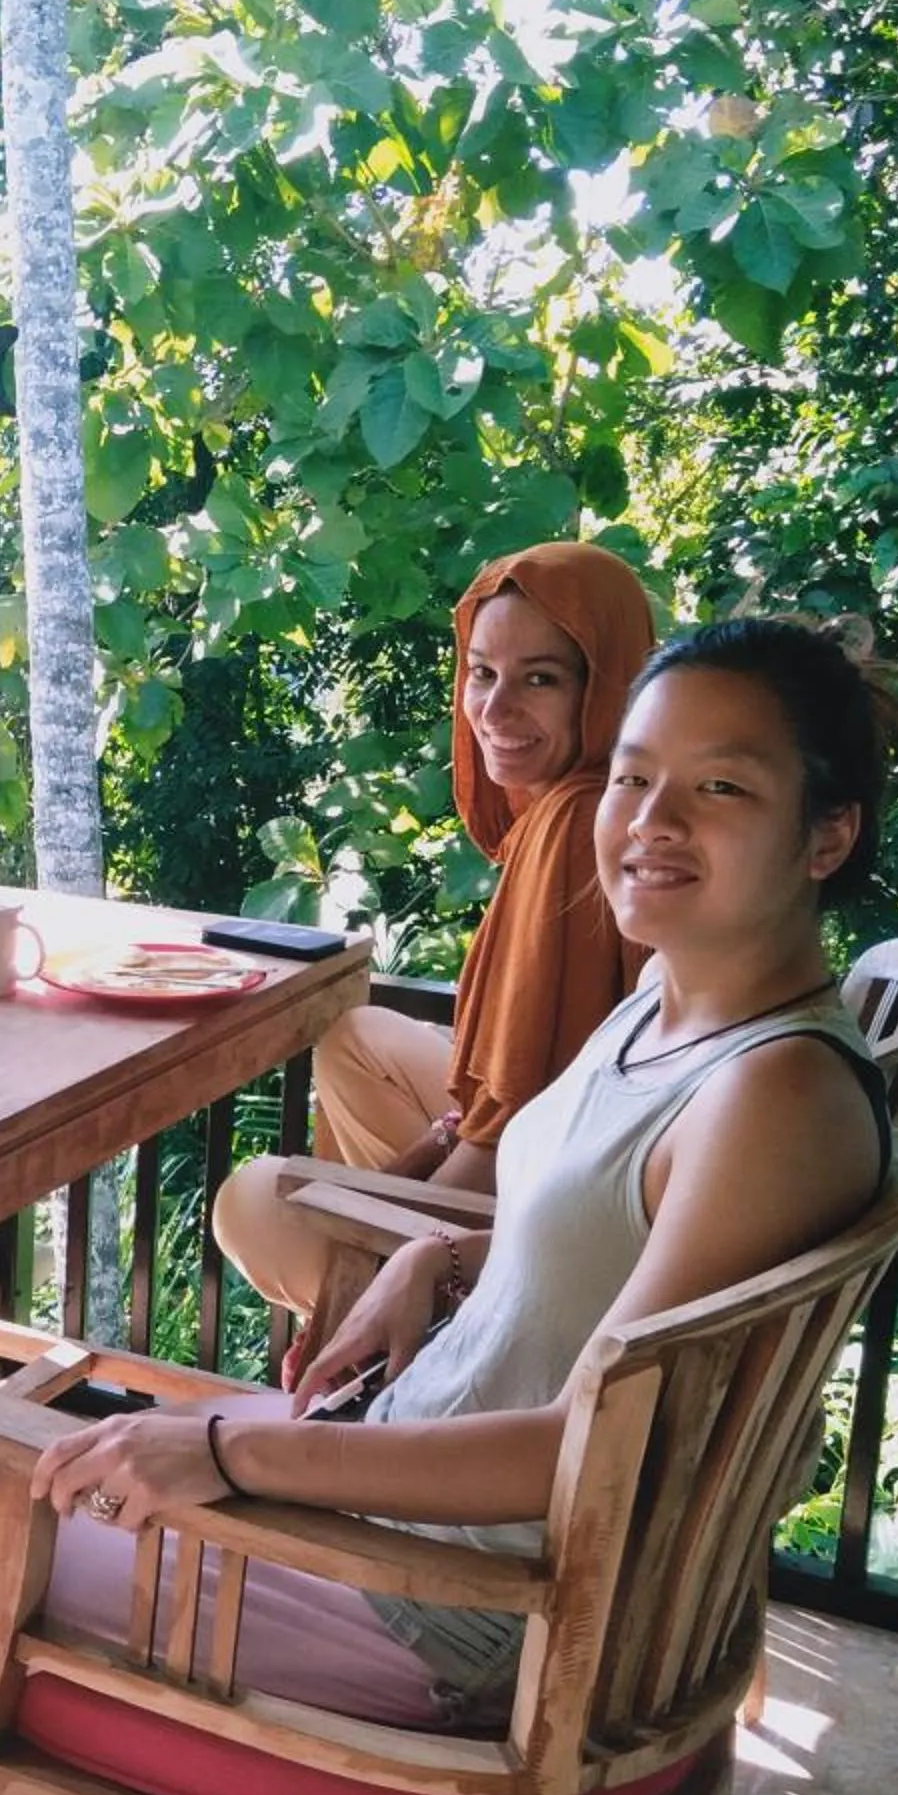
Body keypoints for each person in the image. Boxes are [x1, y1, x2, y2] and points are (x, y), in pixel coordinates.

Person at [0, 619, 898, 1795]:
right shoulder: (683, 1007)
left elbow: (590, 1454)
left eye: (720, 791)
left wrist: (236, 1464)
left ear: (828, 834)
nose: (650, 822)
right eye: (636, 775)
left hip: (471, 1622)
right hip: (455, 1529)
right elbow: (597, 1237)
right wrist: (443, 1258)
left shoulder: (777, 1097)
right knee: (122, 1446)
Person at [213, 539, 655, 1346]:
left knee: (248, 1200)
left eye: (541, 679)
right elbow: (494, 1106)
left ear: (608, 688)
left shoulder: (570, 826)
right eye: (482, 673)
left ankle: (397, 1328)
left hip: (543, 1237)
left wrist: (391, 1258)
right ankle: (378, 1254)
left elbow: (508, 1137)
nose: (493, 708)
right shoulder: (595, 804)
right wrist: (405, 1168)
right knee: (355, 1034)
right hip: (570, 1161)